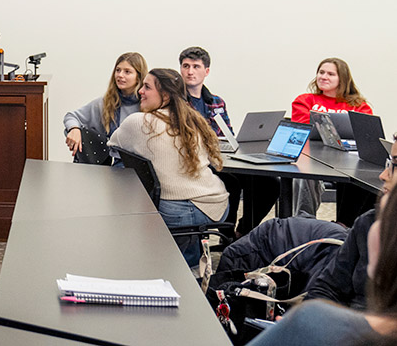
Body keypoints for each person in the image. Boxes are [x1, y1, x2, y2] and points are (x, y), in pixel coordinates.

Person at [246, 136, 397, 346]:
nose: (383, 175)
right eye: (388, 163)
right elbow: (327, 287)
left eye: (394, 165)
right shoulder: (368, 223)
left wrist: (312, 324)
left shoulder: (318, 320)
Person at [109, 68, 229, 267]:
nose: (140, 91)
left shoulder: (139, 122)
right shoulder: (193, 120)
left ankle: (184, 267)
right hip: (216, 205)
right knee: (187, 246)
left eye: (147, 87)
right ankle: (193, 264)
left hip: (175, 210)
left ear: (165, 95)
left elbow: (113, 144)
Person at [179, 46, 280, 238]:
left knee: (270, 183)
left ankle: (243, 232)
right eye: (186, 66)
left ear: (206, 71)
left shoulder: (216, 102)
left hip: (221, 158)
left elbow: (228, 134)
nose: (190, 71)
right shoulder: (176, 101)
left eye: (196, 66)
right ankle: (226, 233)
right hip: (196, 161)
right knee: (231, 182)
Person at [291, 58, 374, 223]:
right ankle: (303, 222)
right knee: (303, 173)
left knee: (365, 177)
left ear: (342, 79)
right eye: (321, 72)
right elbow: (301, 131)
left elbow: (366, 136)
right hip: (313, 158)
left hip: (348, 162)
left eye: (330, 74)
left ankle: (345, 226)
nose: (324, 77)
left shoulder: (359, 106)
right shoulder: (305, 100)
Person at [63, 52, 147, 165]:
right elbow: (71, 116)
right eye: (118, 70)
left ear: (139, 77)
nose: (120, 75)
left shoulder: (148, 104)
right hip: (114, 169)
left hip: (142, 168)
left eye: (127, 72)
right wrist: (74, 129)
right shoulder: (106, 103)